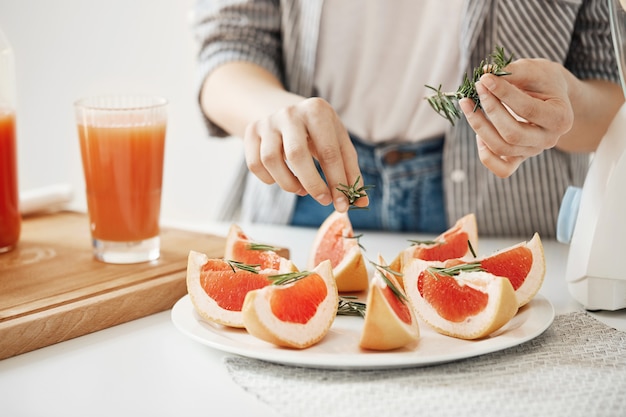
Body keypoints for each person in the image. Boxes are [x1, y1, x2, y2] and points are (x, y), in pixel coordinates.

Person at [192, 0, 624, 237]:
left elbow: (612, 91)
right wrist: (273, 113)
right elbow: (229, 47)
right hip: (307, 193)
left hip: (503, 217)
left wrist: (567, 104)